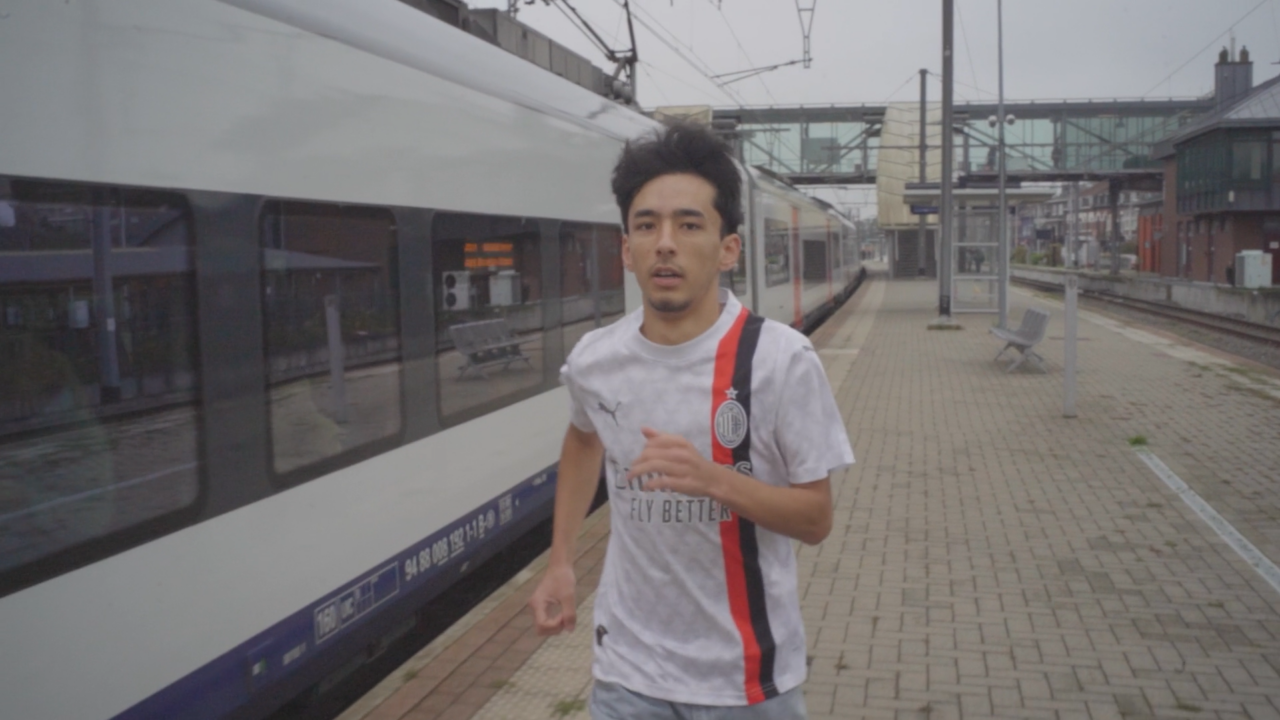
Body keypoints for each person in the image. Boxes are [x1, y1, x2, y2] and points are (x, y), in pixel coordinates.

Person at [528, 123, 854, 719]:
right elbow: (582, 439)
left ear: (728, 248)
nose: (665, 243)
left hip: (746, 685)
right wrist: (560, 562)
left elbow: (815, 519)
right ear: (627, 250)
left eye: (689, 224)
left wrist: (713, 480)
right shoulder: (595, 361)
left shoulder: (781, 361)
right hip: (626, 675)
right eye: (646, 226)